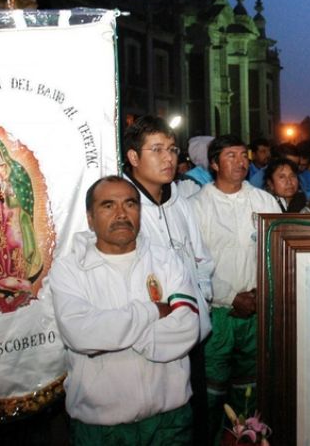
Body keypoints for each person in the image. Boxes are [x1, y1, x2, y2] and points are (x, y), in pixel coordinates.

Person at [50, 176, 200, 444]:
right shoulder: (69, 269)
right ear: (90, 217)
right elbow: (80, 334)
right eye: (108, 205)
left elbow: (188, 326)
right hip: (101, 429)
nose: (121, 214)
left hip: (170, 422)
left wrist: (114, 334)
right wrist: (152, 312)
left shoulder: (166, 259)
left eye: (130, 204)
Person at [122, 115, 214, 443]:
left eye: (172, 149)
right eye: (156, 149)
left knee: (193, 417)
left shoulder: (179, 200)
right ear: (133, 157)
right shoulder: (122, 205)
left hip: (193, 331)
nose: (168, 158)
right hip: (151, 336)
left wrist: (203, 299)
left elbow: (201, 256)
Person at [191, 135, 281, 441]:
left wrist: (260, 292)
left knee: (252, 388)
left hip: (258, 309)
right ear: (214, 163)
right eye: (231, 155)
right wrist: (231, 297)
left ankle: (251, 439)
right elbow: (193, 262)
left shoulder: (263, 200)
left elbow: (277, 249)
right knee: (214, 391)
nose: (241, 162)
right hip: (219, 313)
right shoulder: (197, 205)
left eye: (244, 155)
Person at [0, 137, 41, 311]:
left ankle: (18, 286)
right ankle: (1, 286)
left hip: (13, 217)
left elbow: (24, 192)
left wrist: (9, 188)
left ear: (1, 150)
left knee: (14, 246)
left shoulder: (15, 169)